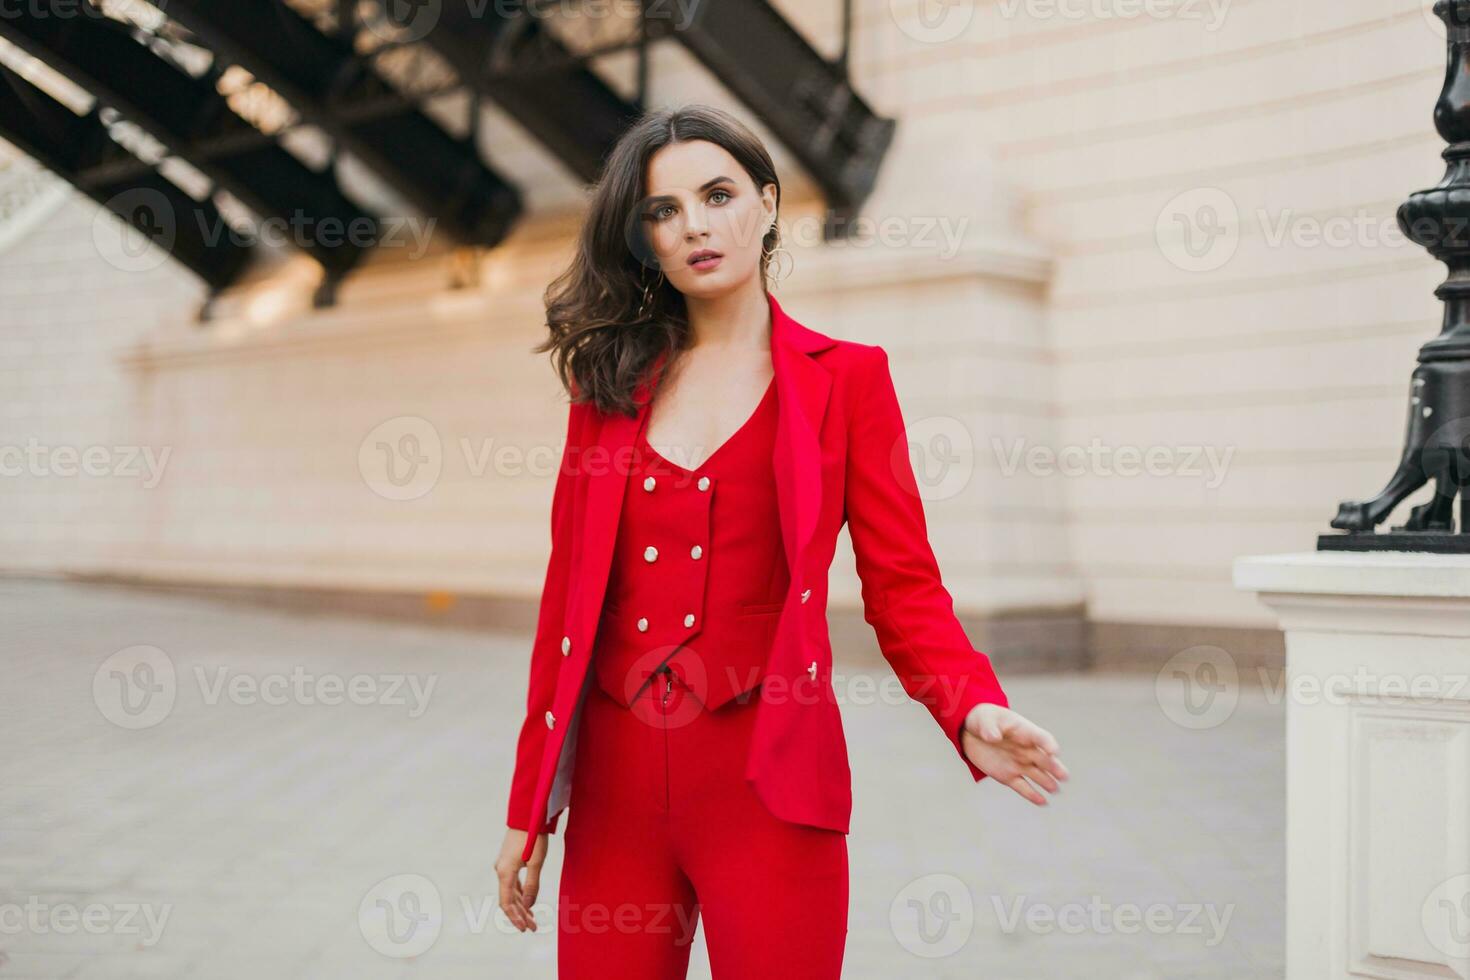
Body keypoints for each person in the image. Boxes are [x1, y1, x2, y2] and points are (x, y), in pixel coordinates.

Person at [495, 104, 1068, 979]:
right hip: (615, 794)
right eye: (662, 211)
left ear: (765, 205)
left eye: (717, 195)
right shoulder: (604, 389)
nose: (694, 225)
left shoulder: (848, 382)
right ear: (644, 239)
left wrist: (967, 705)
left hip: (768, 789)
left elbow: (904, 586)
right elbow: (567, 605)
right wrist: (527, 806)